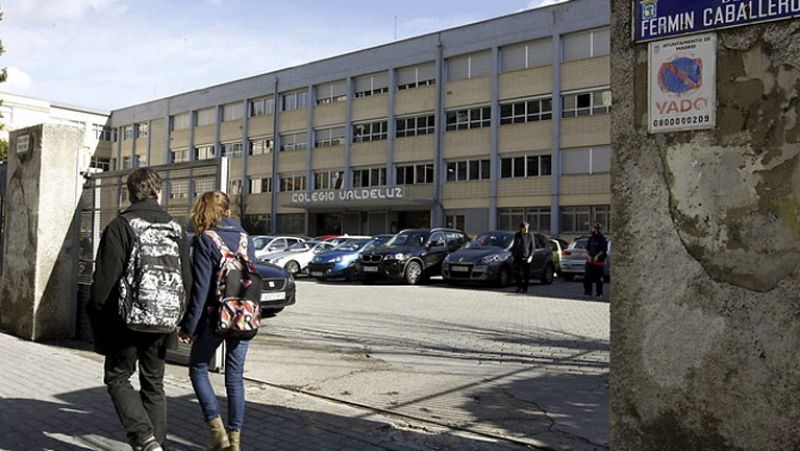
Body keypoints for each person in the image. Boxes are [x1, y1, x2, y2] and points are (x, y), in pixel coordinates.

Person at [89, 168, 192, 451]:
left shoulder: (121, 226)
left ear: (130, 193)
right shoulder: (176, 227)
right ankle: (155, 444)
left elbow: (103, 285)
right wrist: (182, 317)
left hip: (127, 321)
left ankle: (143, 436)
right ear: (159, 192)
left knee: (117, 376)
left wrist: (99, 324)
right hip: (165, 317)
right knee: (154, 384)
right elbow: (187, 277)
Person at [179, 191, 256, 451]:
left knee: (198, 369)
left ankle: (218, 434)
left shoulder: (205, 240)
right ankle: (235, 442)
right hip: (244, 316)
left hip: (215, 318)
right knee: (234, 378)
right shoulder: (246, 238)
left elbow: (200, 290)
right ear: (227, 211)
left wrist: (189, 327)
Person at [584, 223, 608, 299]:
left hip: (599, 263)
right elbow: (587, 249)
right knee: (587, 278)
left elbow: (603, 250)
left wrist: (597, 256)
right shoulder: (590, 239)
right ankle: (588, 292)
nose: (590, 230)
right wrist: (588, 256)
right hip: (590, 262)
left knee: (599, 279)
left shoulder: (602, 238)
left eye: (592, 228)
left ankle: (599, 293)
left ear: (596, 229)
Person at [511, 221, 535, 293]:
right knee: (515, 273)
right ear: (521, 228)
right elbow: (515, 246)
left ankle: (525, 289)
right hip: (518, 257)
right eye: (525, 229)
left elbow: (533, 247)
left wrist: (531, 256)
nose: (526, 230)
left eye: (527, 228)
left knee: (526, 275)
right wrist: (513, 255)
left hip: (526, 257)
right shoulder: (517, 235)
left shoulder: (530, 235)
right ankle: (520, 285)